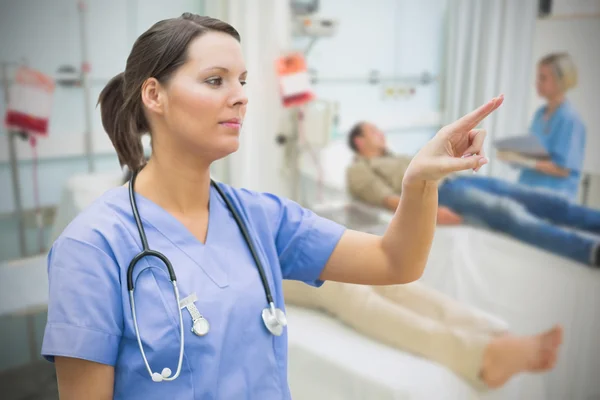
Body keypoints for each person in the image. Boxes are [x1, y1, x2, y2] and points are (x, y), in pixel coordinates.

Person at [40, 13, 506, 399]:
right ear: (154, 94)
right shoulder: (91, 248)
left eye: (241, 80)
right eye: (215, 80)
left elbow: (395, 261)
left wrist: (418, 181)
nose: (241, 95)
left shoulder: (261, 216)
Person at [346, 122, 600, 267]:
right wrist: (430, 212)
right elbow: (387, 199)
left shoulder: (393, 157)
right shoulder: (359, 169)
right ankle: (589, 250)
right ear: (359, 141)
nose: (381, 134)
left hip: (457, 180)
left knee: (544, 200)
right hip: (440, 194)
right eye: (374, 132)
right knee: (507, 211)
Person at [282, 279, 562, 390]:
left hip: (273, 246)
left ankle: (490, 333)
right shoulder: (361, 170)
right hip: (258, 269)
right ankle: (480, 355)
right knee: (337, 285)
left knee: (384, 278)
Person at [498, 53, 586, 199]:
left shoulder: (570, 120)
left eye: (543, 78)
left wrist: (524, 160)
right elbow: (534, 152)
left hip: (552, 198)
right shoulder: (540, 114)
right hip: (528, 191)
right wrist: (514, 155)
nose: (537, 83)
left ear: (561, 81)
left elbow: (563, 169)